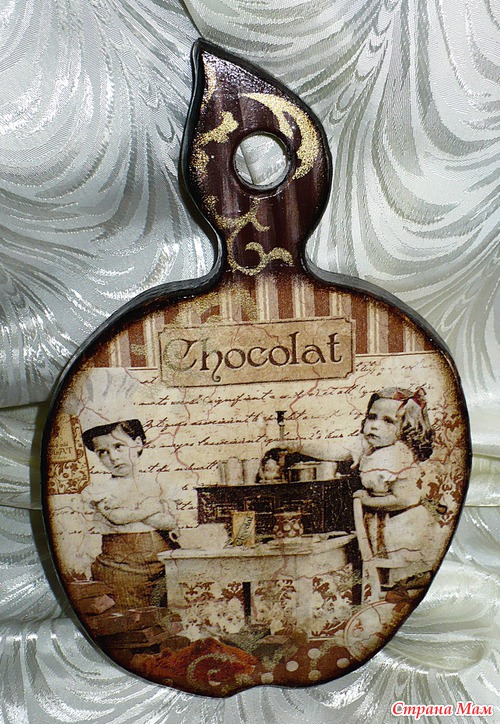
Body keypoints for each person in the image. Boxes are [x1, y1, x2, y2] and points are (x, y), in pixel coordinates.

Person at [81, 418, 177, 609]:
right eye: (103, 452)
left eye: (119, 446)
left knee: (167, 614)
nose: (113, 457)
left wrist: (134, 510)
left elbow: (169, 522)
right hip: (120, 569)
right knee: (132, 617)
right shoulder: (100, 490)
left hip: (161, 566)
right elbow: (117, 518)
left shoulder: (156, 484)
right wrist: (151, 508)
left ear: (138, 443)